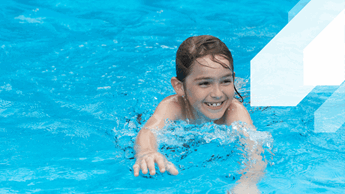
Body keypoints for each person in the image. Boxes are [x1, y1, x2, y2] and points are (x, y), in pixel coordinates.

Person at [133, 36, 265, 191]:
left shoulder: (234, 111)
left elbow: (254, 149)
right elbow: (149, 130)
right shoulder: (173, 105)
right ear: (180, 87)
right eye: (204, 83)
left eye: (226, 81)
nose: (217, 94)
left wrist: (248, 182)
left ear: (233, 79)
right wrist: (147, 152)